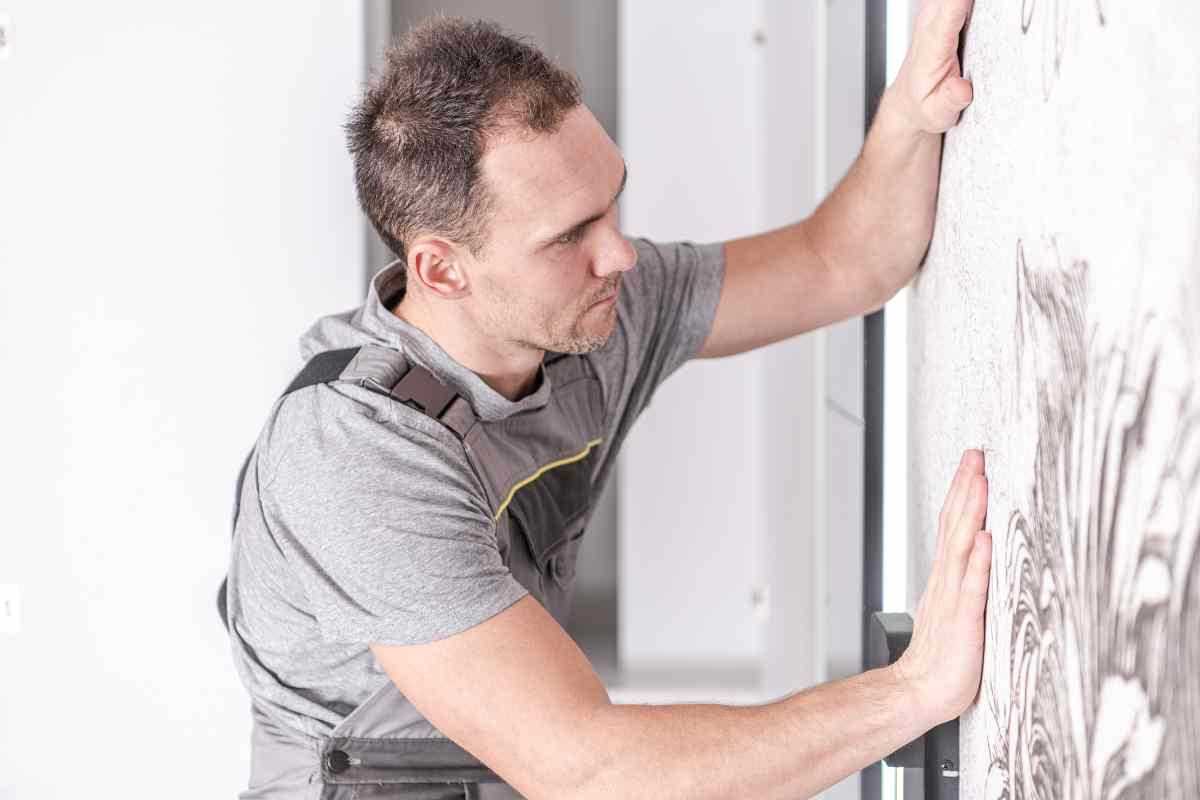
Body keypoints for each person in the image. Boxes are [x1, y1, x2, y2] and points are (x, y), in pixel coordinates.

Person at [220, 3, 991, 798]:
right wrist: (913, 691)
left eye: (612, 201)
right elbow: (591, 770)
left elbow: (839, 263)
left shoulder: (591, 309)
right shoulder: (356, 461)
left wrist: (911, 112)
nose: (619, 253)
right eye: (567, 236)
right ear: (442, 270)